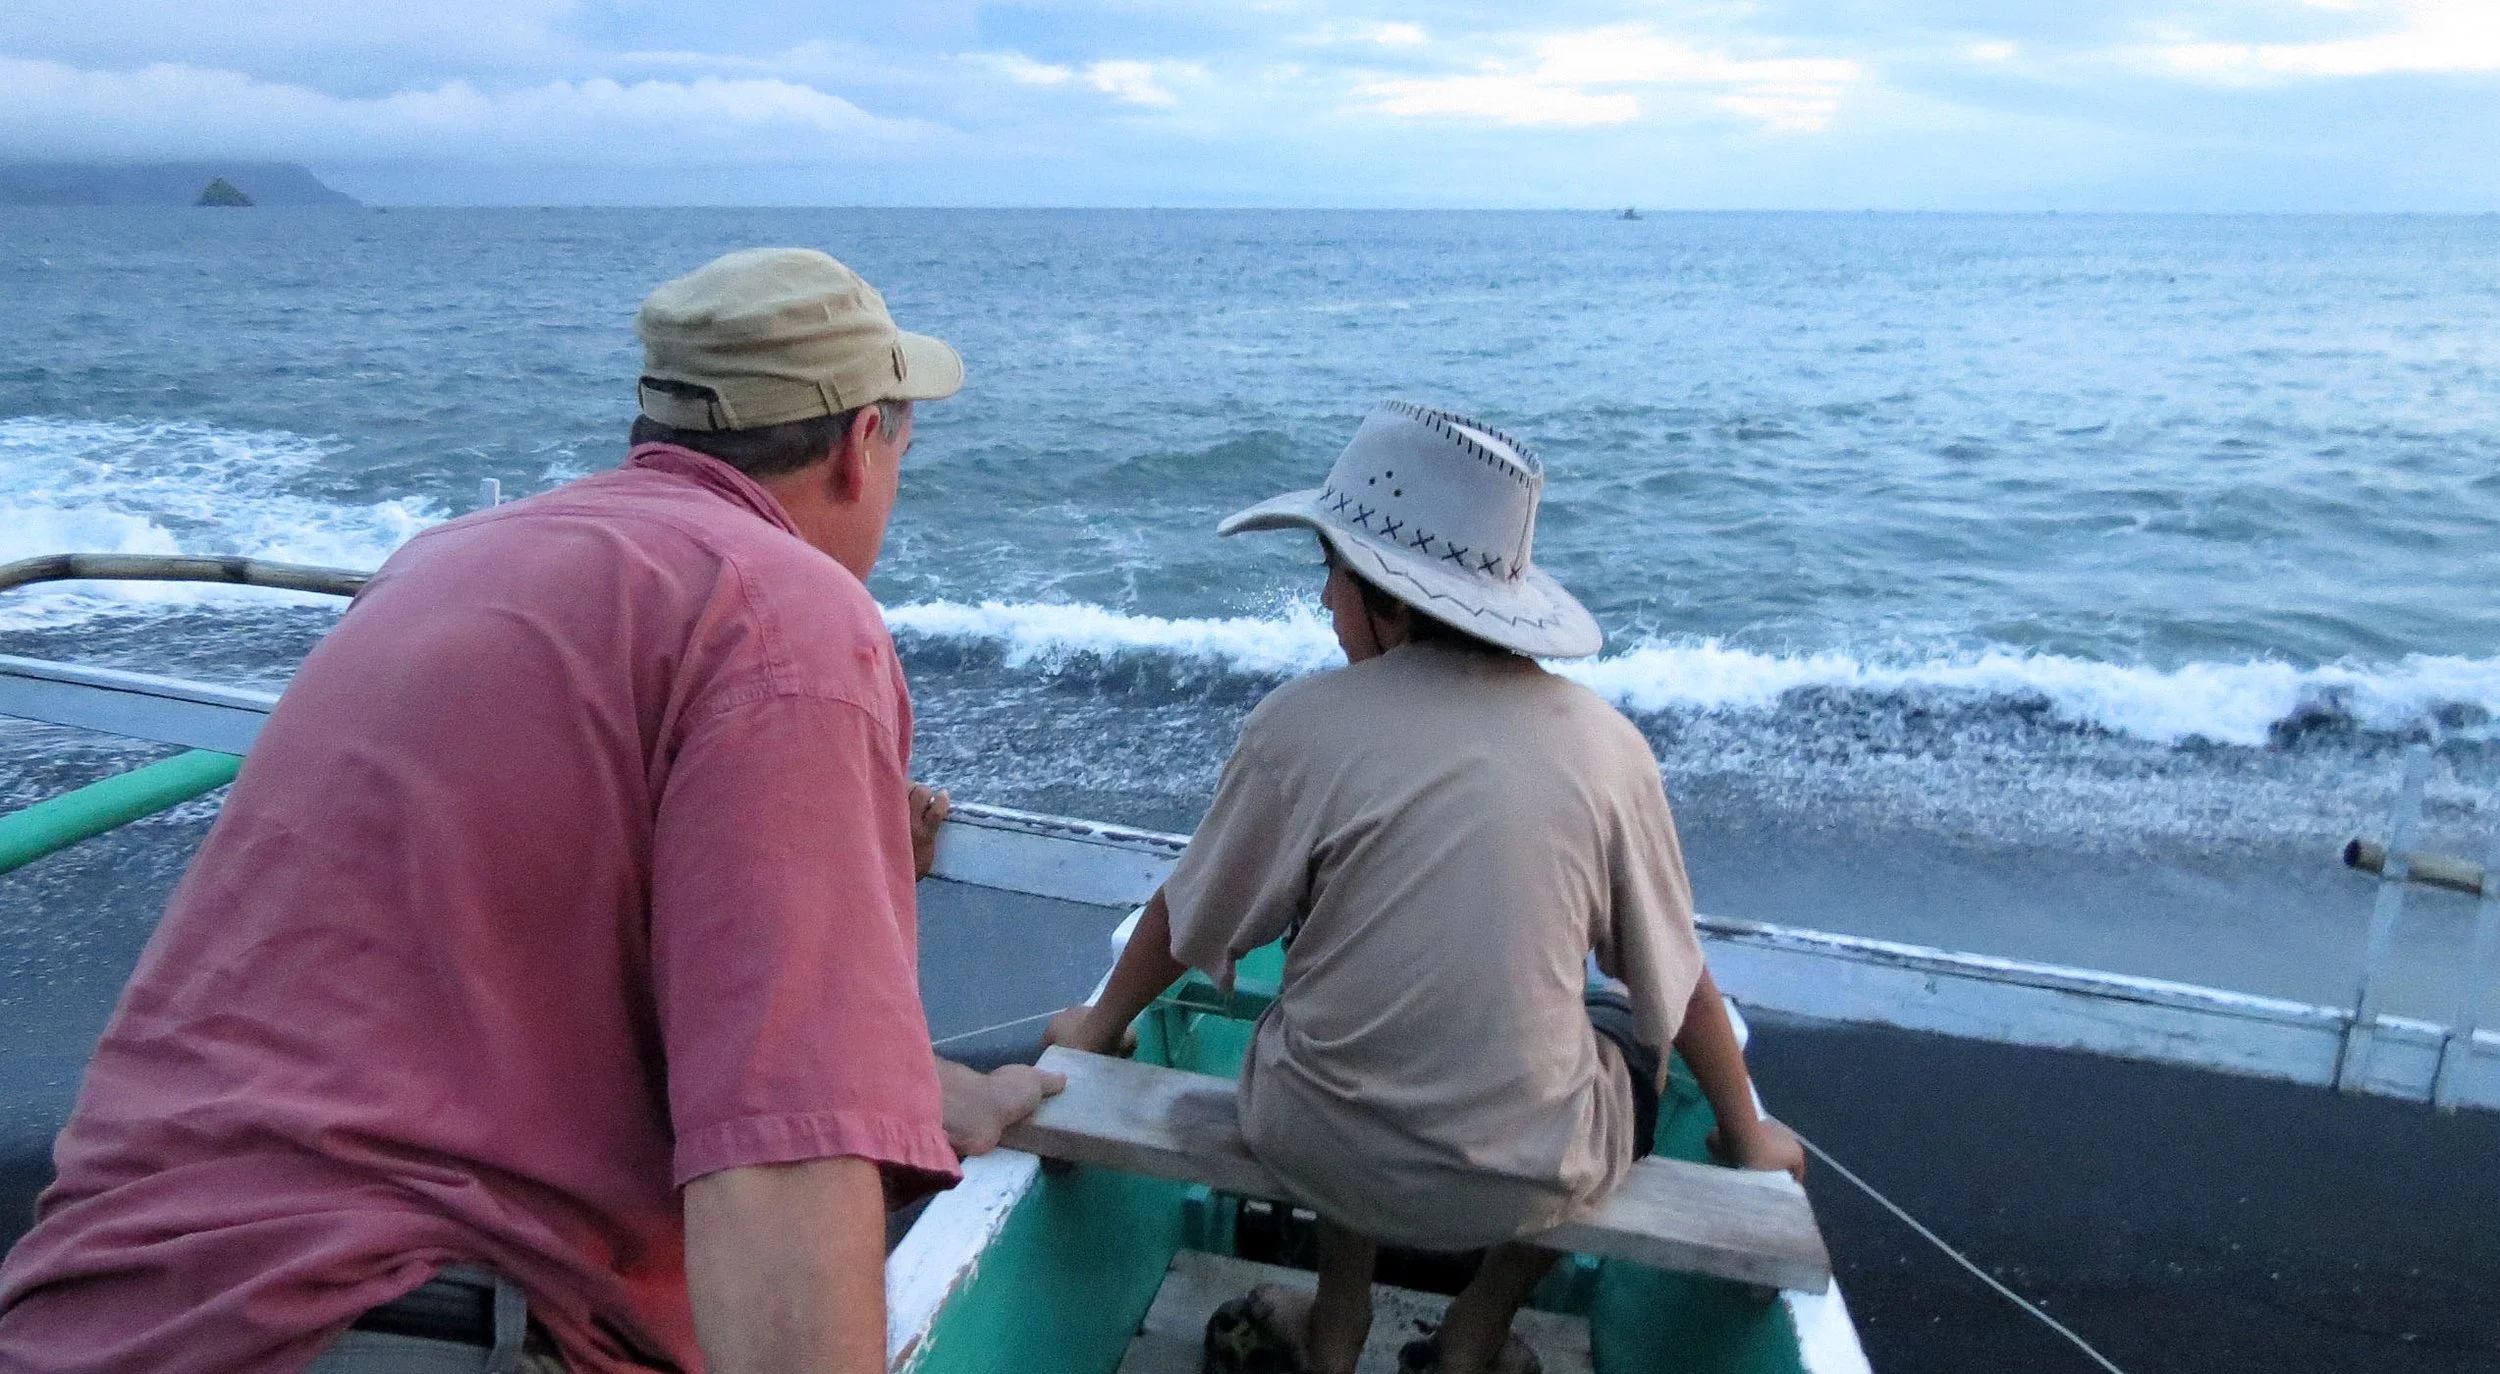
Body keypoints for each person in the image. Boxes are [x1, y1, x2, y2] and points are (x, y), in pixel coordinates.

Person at [0, 248, 1060, 1374]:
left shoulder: (443, 563)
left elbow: (487, 973)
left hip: (99, 1303)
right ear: (862, 446)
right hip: (404, 1319)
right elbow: (782, 1154)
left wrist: (909, 1084)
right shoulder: (782, 613)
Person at [1045, 401, 1806, 1374]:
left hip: (1310, 1141)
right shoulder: (1609, 749)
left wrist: (1101, 1022)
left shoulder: (1298, 726)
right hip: (1529, 1176)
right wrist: (1748, 1133)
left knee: (1332, 992)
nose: (1324, 598)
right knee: (1629, 1035)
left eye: (1331, 570)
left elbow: (1187, 915)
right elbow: (1676, 977)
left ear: (1391, 601)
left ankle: (1338, 1319)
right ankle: (1478, 1326)